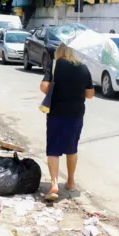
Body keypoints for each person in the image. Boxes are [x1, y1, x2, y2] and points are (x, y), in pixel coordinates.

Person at [40, 44, 95, 201]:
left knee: (53, 149)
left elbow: (44, 87)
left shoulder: (55, 65)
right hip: (76, 113)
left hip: (56, 112)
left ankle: (54, 184)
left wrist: (56, 88)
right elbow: (90, 94)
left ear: (59, 52)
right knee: (72, 148)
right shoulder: (83, 68)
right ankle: (70, 181)